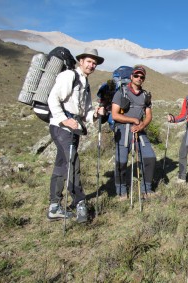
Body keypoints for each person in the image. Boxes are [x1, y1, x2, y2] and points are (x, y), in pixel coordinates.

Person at [47, 48, 105, 223]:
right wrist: (64, 120)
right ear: (81, 61)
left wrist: (94, 114)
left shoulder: (84, 82)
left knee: (62, 164)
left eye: (94, 63)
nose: (92, 65)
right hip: (62, 127)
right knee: (73, 162)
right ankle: (80, 202)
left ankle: (54, 206)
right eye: (89, 61)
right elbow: (52, 99)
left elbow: (85, 111)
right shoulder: (69, 76)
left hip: (73, 128)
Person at [111, 66, 157, 200]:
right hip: (123, 129)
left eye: (142, 77)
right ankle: (121, 192)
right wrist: (133, 120)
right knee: (122, 161)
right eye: (136, 75)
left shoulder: (145, 96)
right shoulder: (121, 92)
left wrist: (142, 125)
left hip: (139, 129)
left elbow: (148, 115)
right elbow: (115, 115)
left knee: (150, 157)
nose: (139, 78)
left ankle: (147, 189)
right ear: (131, 76)